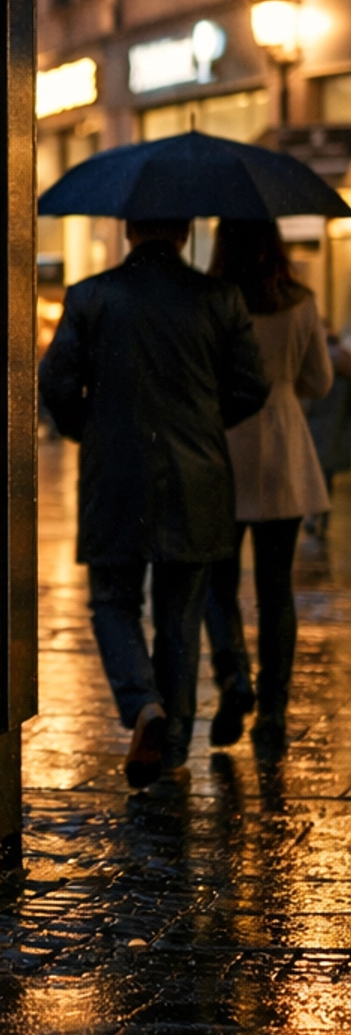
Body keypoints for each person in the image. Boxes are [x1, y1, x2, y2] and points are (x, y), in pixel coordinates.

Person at [39, 218, 269, 790]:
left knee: (112, 601)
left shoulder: (91, 296)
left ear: (126, 230)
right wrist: (206, 426)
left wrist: (84, 429)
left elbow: (56, 381)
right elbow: (252, 384)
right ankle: (171, 750)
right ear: (186, 233)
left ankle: (144, 705)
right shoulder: (220, 298)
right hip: (198, 479)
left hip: (114, 475)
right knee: (180, 615)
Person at [203, 221, 334, 759]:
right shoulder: (300, 302)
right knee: (277, 587)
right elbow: (319, 382)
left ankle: (235, 678)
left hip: (224, 447)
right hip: (283, 449)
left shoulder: (212, 300)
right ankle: (275, 710)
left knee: (218, 579)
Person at [303, 323, 351, 546]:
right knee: (326, 478)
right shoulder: (345, 371)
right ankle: (323, 518)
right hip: (334, 434)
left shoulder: (316, 369)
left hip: (315, 430)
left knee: (313, 477)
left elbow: (308, 401)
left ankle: (313, 516)